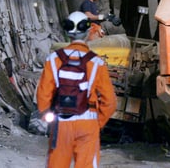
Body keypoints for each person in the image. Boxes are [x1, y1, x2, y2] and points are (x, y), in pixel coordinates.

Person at [37, 11, 117, 168]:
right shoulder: (96, 62)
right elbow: (110, 101)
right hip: (88, 122)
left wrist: (47, 116)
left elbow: (43, 94)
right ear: (88, 32)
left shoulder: (53, 59)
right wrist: (97, 123)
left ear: (67, 32)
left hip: (61, 123)